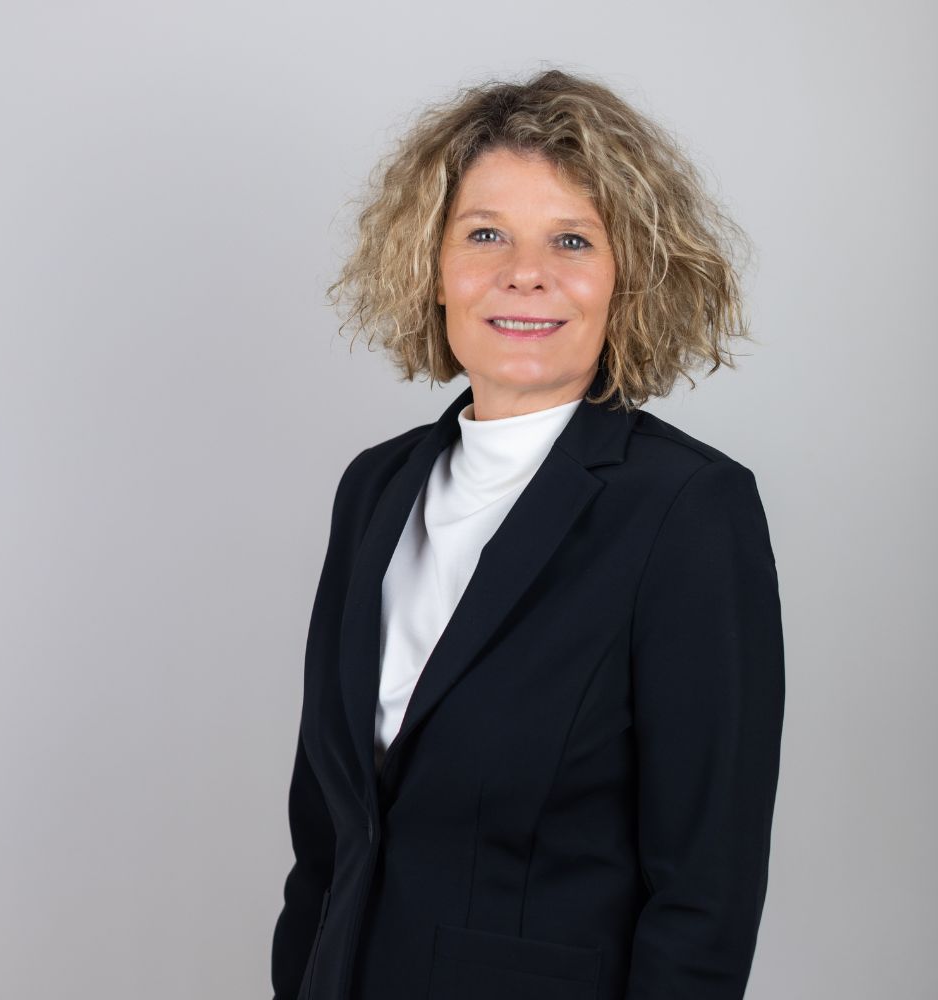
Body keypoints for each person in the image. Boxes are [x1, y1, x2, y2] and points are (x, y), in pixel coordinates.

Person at [270, 67, 785, 1000]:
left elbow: (704, 893)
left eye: (572, 240)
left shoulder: (689, 511)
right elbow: (327, 838)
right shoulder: (374, 488)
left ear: (629, 278)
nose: (525, 272)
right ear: (431, 267)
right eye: (485, 234)